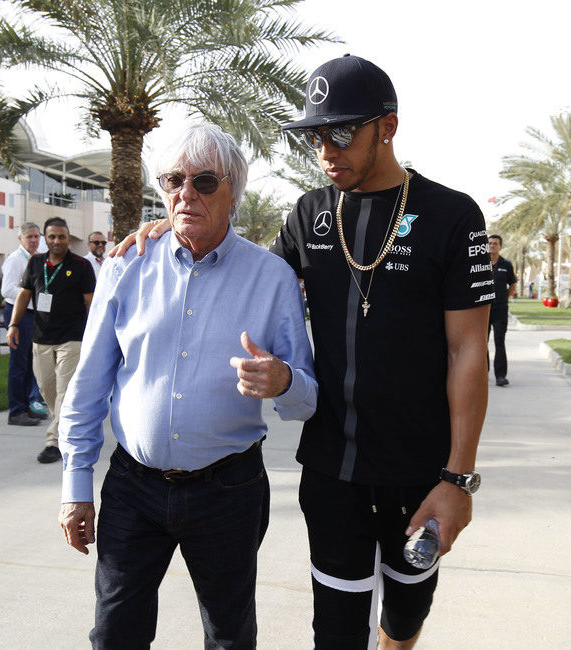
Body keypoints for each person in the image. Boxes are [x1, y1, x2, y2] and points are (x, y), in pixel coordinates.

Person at [119, 54, 490, 649]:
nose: (326, 150)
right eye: (315, 136)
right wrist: (176, 225)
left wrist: (457, 479)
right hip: (331, 470)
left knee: (405, 615)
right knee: (336, 633)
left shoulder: (452, 216)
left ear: (387, 127)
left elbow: (467, 352)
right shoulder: (310, 213)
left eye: (342, 133)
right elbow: (247, 270)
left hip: (419, 471)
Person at [58, 123, 317, 648]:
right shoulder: (126, 264)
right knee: (114, 635)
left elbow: (306, 400)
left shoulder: (272, 279)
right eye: (173, 180)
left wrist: (283, 379)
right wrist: (75, 485)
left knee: (229, 635)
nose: (185, 194)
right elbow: (90, 381)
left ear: (233, 192)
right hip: (133, 486)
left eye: (203, 181)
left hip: (229, 491)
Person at [7, 217, 94, 464]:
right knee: (47, 389)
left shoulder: (81, 266)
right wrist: (13, 324)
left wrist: (94, 334)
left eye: (62, 236)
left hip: (72, 338)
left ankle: (53, 442)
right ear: (46, 238)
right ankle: (73, 427)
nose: (57, 241)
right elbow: (24, 295)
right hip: (41, 338)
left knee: (64, 392)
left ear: (68, 238)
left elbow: (91, 302)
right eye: (52, 236)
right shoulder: (35, 263)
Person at [1, 222, 49, 426]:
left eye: (37, 237)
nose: (34, 240)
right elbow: (7, 290)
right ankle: (16, 410)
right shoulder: (15, 260)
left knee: (32, 363)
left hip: (34, 315)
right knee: (19, 364)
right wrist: (30, 296)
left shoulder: (38, 259)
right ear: (21, 238)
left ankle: (28, 406)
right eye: (29, 237)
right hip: (19, 315)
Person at [488, 234, 516, 387]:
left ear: (500, 246)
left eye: (495, 243)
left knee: (499, 342)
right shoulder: (480, 263)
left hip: (500, 309)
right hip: (483, 309)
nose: (492, 245)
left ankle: (500, 376)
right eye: (490, 243)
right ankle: (481, 371)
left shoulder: (506, 264)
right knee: (480, 342)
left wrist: (504, 297)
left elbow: (512, 285)